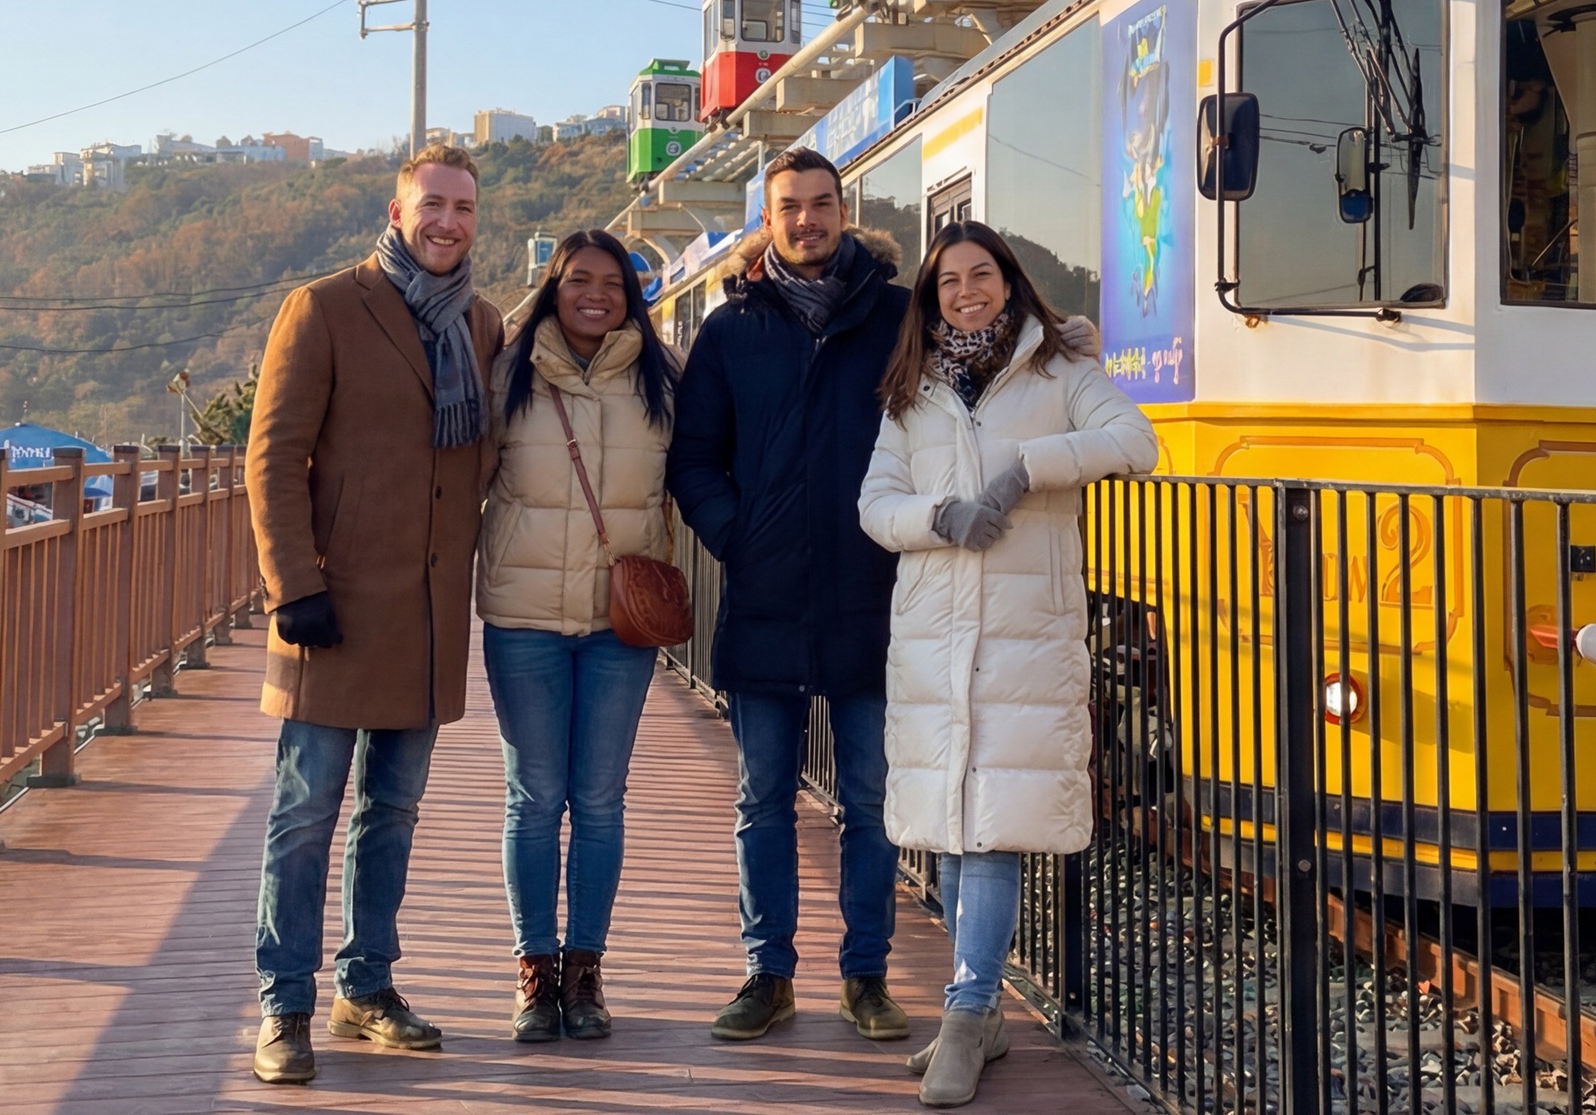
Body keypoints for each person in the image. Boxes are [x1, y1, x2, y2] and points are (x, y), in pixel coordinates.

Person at [857, 222, 1157, 1108]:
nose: (966, 292)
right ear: (931, 297)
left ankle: (966, 1013)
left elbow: (1136, 441)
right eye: (948, 281)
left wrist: (1027, 470)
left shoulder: (1060, 369)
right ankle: (981, 1015)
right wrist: (941, 517)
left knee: (988, 831)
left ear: (1010, 280)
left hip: (1024, 635)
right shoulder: (912, 389)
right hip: (933, 633)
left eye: (980, 274)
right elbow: (875, 503)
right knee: (955, 830)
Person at [244, 144, 504, 1086]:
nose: (447, 222)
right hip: (333, 606)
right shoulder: (322, 308)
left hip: (428, 616)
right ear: (397, 213)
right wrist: (293, 586)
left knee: (391, 813)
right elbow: (272, 457)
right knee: (305, 813)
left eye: (463, 208)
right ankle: (284, 1005)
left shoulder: (482, 324)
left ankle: (367, 986)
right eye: (432, 204)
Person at [667, 147, 916, 1044]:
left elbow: (981, 371)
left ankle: (866, 976)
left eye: (820, 203)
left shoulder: (899, 317)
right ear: (766, 222)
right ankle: (766, 974)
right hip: (765, 598)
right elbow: (694, 460)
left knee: (872, 803)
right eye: (789, 207)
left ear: (843, 212)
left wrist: (1063, 342)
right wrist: (740, 536)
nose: (806, 220)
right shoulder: (731, 330)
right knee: (761, 799)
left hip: (871, 594)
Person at [477, 229, 678, 1044]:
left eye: (612, 283)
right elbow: (456, 478)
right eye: (578, 281)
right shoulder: (508, 373)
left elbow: (705, 468)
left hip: (619, 624)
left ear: (632, 296)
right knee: (534, 797)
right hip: (522, 618)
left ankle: (586, 970)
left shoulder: (662, 377)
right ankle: (534, 971)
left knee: (598, 799)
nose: (596, 295)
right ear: (551, 289)